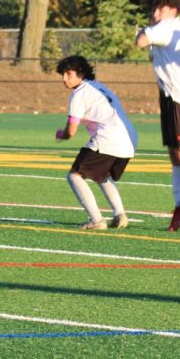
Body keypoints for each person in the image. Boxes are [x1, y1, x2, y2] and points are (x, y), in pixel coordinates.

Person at [135, 0, 180, 233]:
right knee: (175, 155)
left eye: (161, 9)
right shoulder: (171, 26)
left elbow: (140, 41)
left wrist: (142, 30)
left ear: (173, 11)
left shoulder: (166, 27)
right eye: (153, 9)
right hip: (169, 97)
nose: (155, 14)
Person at [53, 55, 136, 230]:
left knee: (74, 176)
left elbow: (71, 132)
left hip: (108, 138)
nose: (64, 79)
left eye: (68, 74)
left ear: (81, 73)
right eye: (62, 74)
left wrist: (62, 134)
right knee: (102, 175)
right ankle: (119, 215)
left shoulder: (79, 94)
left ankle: (96, 220)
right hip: (128, 139)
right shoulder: (100, 87)